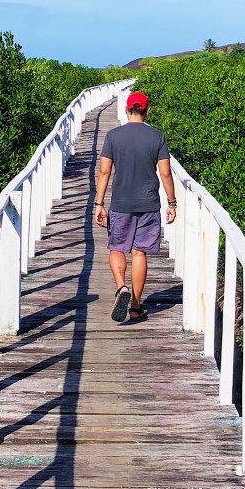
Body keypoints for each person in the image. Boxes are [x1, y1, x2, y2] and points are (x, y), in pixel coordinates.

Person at [94, 90, 177, 321]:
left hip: (121, 203)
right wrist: (172, 203)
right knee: (139, 252)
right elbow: (165, 173)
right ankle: (135, 306)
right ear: (147, 110)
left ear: (126, 110)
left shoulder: (113, 136)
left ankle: (122, 287)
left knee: (116, 248)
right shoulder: (157, 136)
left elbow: (104, 172)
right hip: (148, 204)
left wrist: (99, 203)